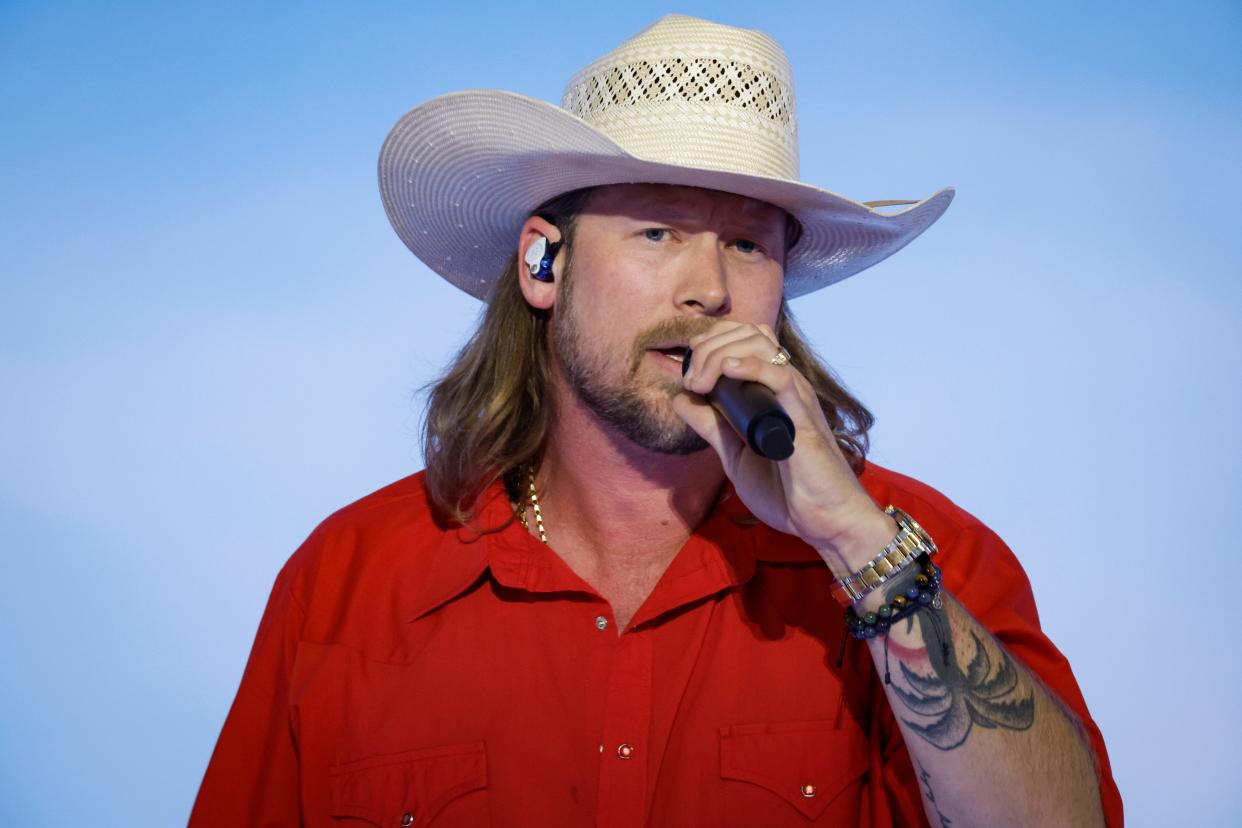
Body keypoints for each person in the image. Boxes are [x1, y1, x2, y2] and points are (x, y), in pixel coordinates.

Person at [190, 14, 1122, 827]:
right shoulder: (349, 584)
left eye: (747, 245)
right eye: (658, 233)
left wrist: (850, 540)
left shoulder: (915, 551)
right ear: (542, 265)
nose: (710, 289)